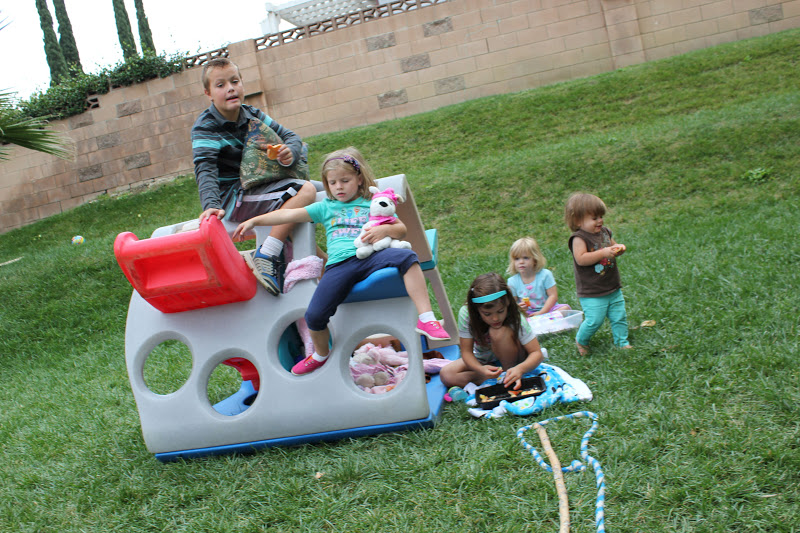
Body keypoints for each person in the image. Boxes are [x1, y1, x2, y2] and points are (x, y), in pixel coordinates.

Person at [232, 146, 450, 376]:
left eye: (345, 181)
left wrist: (384, 231)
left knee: (408, 257)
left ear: (358, 179)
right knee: (314, 316)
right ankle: (320, 354)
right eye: (333, 182)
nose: (339, 187)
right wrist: (255, 221)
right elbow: (288, 214)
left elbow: (401, 229)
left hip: (373, 257)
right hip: (340, 265)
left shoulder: (374, 202)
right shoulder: (326, 207)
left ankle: (426, 318)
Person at [191, 57, 317, 296]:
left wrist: (290, 151)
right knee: (305, 191)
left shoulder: (251, 114)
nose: (230, 88)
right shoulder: (206, 127)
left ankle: (328, 263)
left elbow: (291, 136)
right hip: (234, 197)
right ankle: (267, 253)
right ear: (208, 93)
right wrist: (211, 205)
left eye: (234, 81)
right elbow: (205, 168)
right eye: (220, 85)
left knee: (321, 190)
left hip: (262, 184)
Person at [439, 273, 545, 390]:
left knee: (497, 332)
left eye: (500, 311)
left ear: (507, 303)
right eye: (487, 314)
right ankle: (499, 379)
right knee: (447, 374)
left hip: (515, 360)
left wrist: (520, 369)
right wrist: (480, 369)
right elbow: (466, 353)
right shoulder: (466, 314)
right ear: (476, 309)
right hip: (486, 361)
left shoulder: (515, 317)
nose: (495, 318)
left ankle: (509, 375)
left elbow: (536, 353)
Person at [565, 192, 631, 355]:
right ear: (578, 221)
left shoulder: (605, 232)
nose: (600, 221)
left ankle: (622, 342)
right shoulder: (579, 238)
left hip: (612, 285)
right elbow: (581, 259)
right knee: (595, 320)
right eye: (594, 218)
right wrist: (603, 253)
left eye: (601, 216)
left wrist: (619, 248)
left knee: (619, 316)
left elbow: (612, 246)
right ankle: (582, 340)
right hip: (592, 291)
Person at [506, 236, 571, 317]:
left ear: (535, 259)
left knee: (565, 309)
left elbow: (553, 296)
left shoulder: (545, 275)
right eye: (517, 259)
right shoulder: (512, 281)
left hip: (548, 309)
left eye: (526, 258)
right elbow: (512, 303)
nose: (521, 262)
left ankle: (545, 319)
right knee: (511, 316)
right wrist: (519, 307)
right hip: (528, 313)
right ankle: (545, 321)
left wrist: (542, 312)